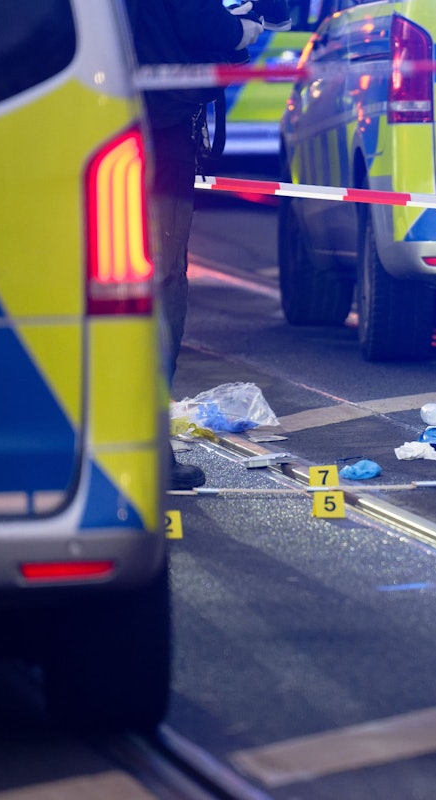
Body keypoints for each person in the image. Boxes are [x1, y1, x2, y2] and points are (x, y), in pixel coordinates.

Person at [124, 0, 263, 489]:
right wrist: (245, 28)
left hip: (85, 123)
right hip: (160, 134)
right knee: (161, 285)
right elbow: (199, 21)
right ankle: (147, 449)